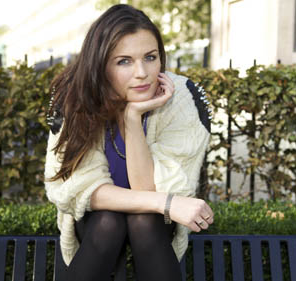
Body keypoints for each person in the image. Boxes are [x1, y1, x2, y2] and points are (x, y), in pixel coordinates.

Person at [44, 4, 213, 281]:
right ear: (101, 64)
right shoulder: (76, 98)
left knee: (144, 219)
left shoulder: (182, 97)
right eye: (124, 61)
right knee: (108, 220)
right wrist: (168, 203)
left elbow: (154, 189)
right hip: (96, 222)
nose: (142, 73)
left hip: (157, 224)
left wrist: (133, 119)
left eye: (150, 57)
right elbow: (76, 190)